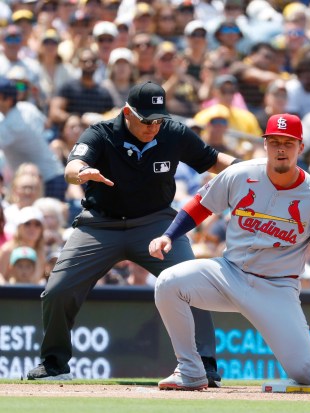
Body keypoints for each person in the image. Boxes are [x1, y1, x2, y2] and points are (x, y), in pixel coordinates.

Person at [148, 113, 310, 390]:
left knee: (306, 371)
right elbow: (201, 203)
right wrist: (169, 235)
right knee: (168, 283)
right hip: (228, 273)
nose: (280, 148)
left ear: (300, 147)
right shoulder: (241, 173)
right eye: (274, 142)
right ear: (265, 145)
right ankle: (190, 370)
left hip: (276, 288)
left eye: (288, 142)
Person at [26, 81, 238, 386]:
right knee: (59, 288)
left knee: (193, 281)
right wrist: (81, 172)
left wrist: (252, 168)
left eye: (158, 119)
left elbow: (214, 160)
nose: (153, 126)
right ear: (128, 112)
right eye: (146, 119)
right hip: (100, 224)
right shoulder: (101, 132)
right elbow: (72, 166)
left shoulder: (173, 132)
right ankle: (54, 363)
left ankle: (204, 365)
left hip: (156, 224)